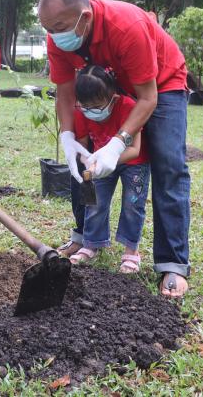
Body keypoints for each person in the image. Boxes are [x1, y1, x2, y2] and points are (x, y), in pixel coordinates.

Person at [37, 0, 190, 298]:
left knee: (168, 164)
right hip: (109, 87)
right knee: (85, 165)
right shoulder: (59, 37)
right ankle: (83, 236)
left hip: (161, 82)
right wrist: (68, 138)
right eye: (47, 28)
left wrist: (118, 142)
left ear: (86, 16)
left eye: (59, 26)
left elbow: (148, 98)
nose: (53, 35)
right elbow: (65, 93)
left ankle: (172, 264)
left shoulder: (126, 26)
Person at [67, 66, 149, 274]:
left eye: (96, 106)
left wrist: (108, 159)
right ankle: (91, 243)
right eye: (86, 106)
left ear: (112, 97)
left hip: (134, 163)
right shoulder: (81, 112)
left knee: (133, 205)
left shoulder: (129, 107)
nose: (91, 111)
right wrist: (89, 162)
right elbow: (83, 146)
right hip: (100, 164)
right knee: (93, 201)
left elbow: (134, 149)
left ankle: (131, 251)